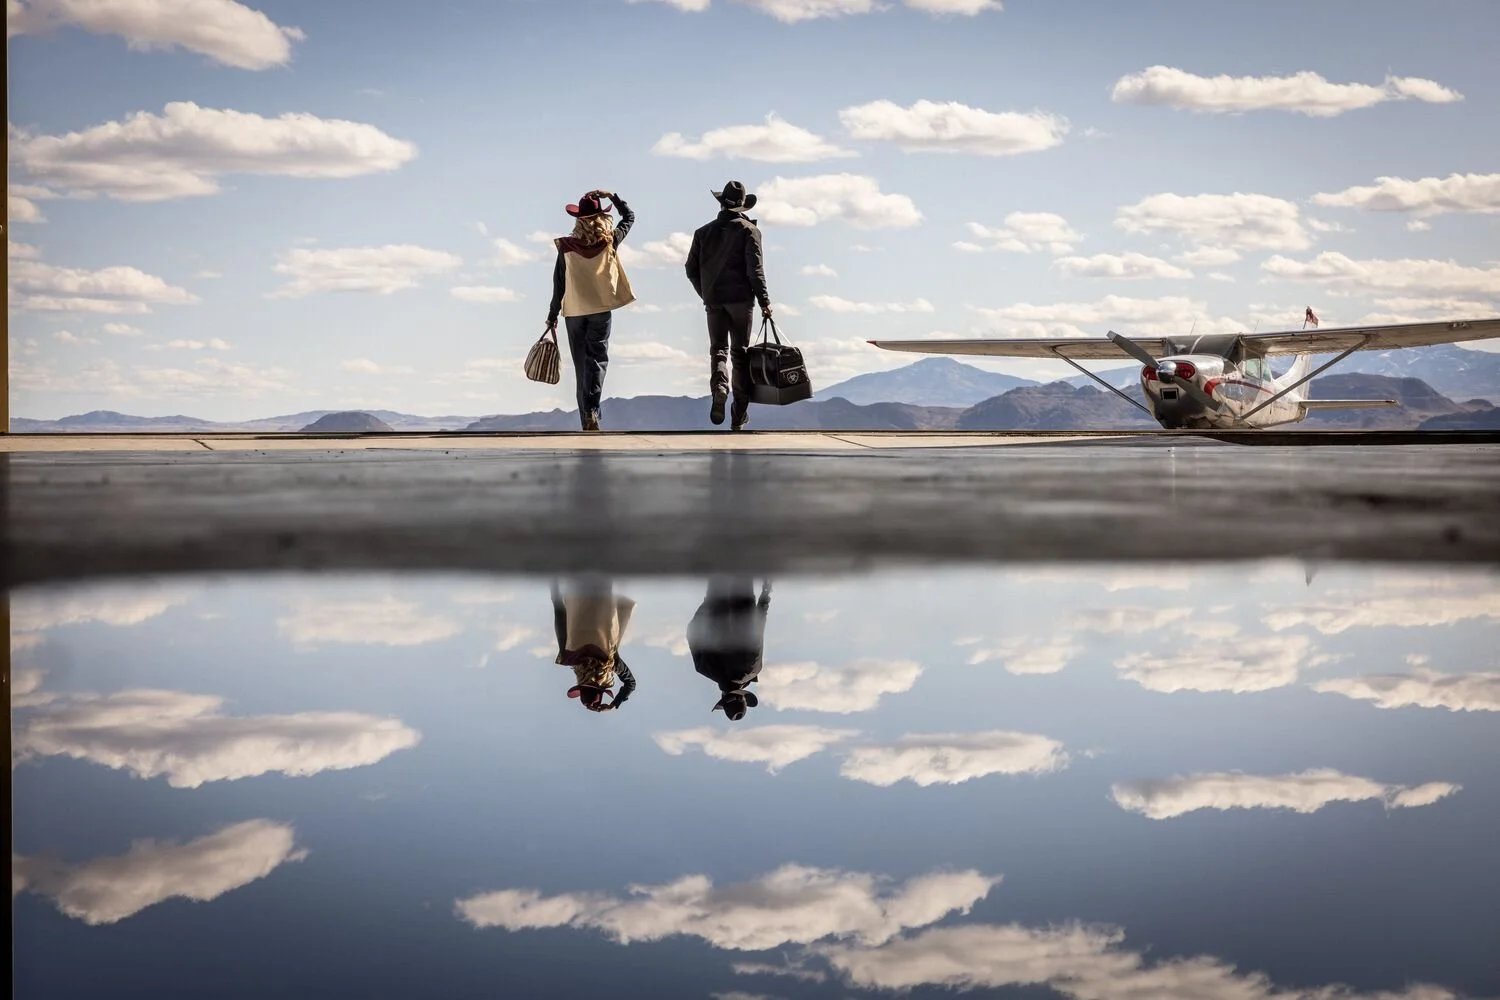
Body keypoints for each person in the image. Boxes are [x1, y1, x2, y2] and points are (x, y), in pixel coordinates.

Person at [684, 181, 773, 431]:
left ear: (721, 203)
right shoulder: (749, 231)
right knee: (740, 354)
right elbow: (755, 271)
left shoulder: (703, 233)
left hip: (714, 300)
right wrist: (765, 301)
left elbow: (690, 269)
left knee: (718, 351)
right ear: (742, 205)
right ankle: (738, 415)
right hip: (742, 301)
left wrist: (706, 292)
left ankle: (720, 388)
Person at [545, 190, 636, 431]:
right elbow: (629, 217)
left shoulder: (566, 247)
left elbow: (559, 283)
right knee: (596, 361)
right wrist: (613, 197)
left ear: (579, 220)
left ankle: (586, 418)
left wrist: (553, 315)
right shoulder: (609, 241)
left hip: (574, 312)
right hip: (600, 310)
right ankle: (592, 411)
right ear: (600, 218)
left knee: (580, 366)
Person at [687, 577, 771, 721]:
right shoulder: (703, 668)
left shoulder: (752, 670)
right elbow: (692, 631)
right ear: (723, 697)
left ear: (742, 696)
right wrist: (709, 604)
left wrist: (765, 594)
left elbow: (757, 628)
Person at [550, 576, 637, 712]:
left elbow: (630, 684)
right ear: (580, 683)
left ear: (602, 686)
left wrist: (614, 704)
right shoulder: (568, 656)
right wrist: (554, 588)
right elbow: (560, 615)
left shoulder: (610, 661)